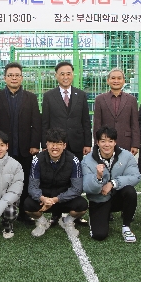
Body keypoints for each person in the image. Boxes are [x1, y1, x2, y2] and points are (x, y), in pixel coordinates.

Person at [0, 62, 41, 225]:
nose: (14, 78)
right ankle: (5, 214)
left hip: (25, 149)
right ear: (5, 78)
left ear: (22, 78)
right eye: (10, 75)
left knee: (24, 181)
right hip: (3, 149)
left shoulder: (31, 98)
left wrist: (34, 144)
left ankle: (23, 213)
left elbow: (36, 123)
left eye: (17, 75)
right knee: (3, 182)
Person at [42, 61, 92, 227]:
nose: (65, 77)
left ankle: (75, 213)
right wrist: (45, 144)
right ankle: (56, 214)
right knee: (56, 178)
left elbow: (86, 121)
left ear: (73, 75)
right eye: (62, 74)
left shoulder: (81, 95)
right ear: (56, 76)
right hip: (56, 145)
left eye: (68, 73)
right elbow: (45, 122)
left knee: (75, 178)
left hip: (77, 143)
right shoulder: (49, 96)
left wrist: (87, 143)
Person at [24, 128, 88, 237]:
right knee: (27, 205)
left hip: (64, 199)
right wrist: (43, 198)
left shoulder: (73, 160)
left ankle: (67, 221)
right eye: (51, 143)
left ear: (64, 145)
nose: (55, 147)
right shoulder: (37, 160)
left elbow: (77, 189)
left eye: (59, 143)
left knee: (82, 205)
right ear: (46, 144)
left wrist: (56, 199)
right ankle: (42, 222)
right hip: (44, 199)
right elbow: (32, 187)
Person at [82, 126, 141, 242]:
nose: (107, 145)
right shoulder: (87, 160)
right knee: (99, 235)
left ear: (115, 142)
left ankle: (126, 226)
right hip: (99, 199)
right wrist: (98, 178)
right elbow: (86, 187)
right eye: (103, 141)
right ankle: (97, 217)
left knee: (130, 191)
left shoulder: (126, 156)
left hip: (117, 197)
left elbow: (135, 176)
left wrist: (113, 183)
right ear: (97, 143)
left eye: (110, 141)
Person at [93, 67, 141, 156]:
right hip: (106, 143)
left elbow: (135, 124)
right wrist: (97, 142)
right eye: (113, 78)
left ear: (123, 81)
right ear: (108, 81)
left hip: (126, 141)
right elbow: (97, 124)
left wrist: (135, 144)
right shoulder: (100, 99)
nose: (116, 81)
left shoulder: (131, 100)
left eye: (119, 78)